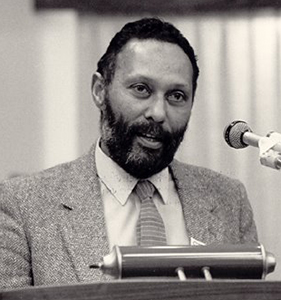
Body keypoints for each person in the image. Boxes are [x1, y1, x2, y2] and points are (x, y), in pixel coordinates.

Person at [0, 17, 257, 290]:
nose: (158, 113)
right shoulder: (23, 204)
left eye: (177, 96)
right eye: (141, 89)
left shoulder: (230, 200)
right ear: (100, 91)